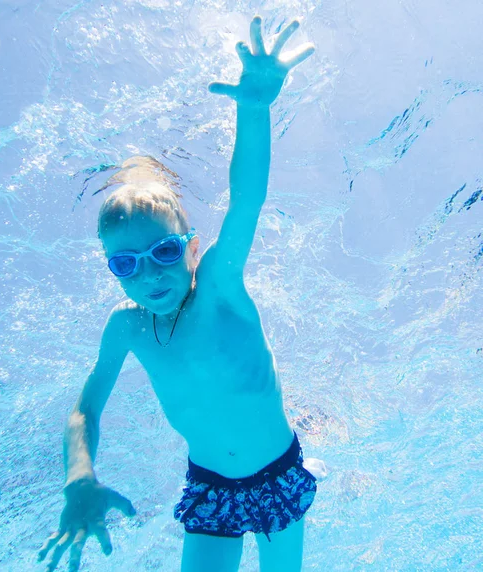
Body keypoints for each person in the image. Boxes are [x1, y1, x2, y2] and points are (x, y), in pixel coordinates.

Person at [39, 15, 317, 572]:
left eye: (164, 253)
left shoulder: (217, 288)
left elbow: (246, 200)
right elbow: (84, 409)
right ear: (112, 272)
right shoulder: (126, 327)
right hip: (209, 484)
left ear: (191, 250)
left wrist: (255, 108)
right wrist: (79, 474)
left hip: (277, 472)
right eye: (126, 264)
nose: (149, 276)